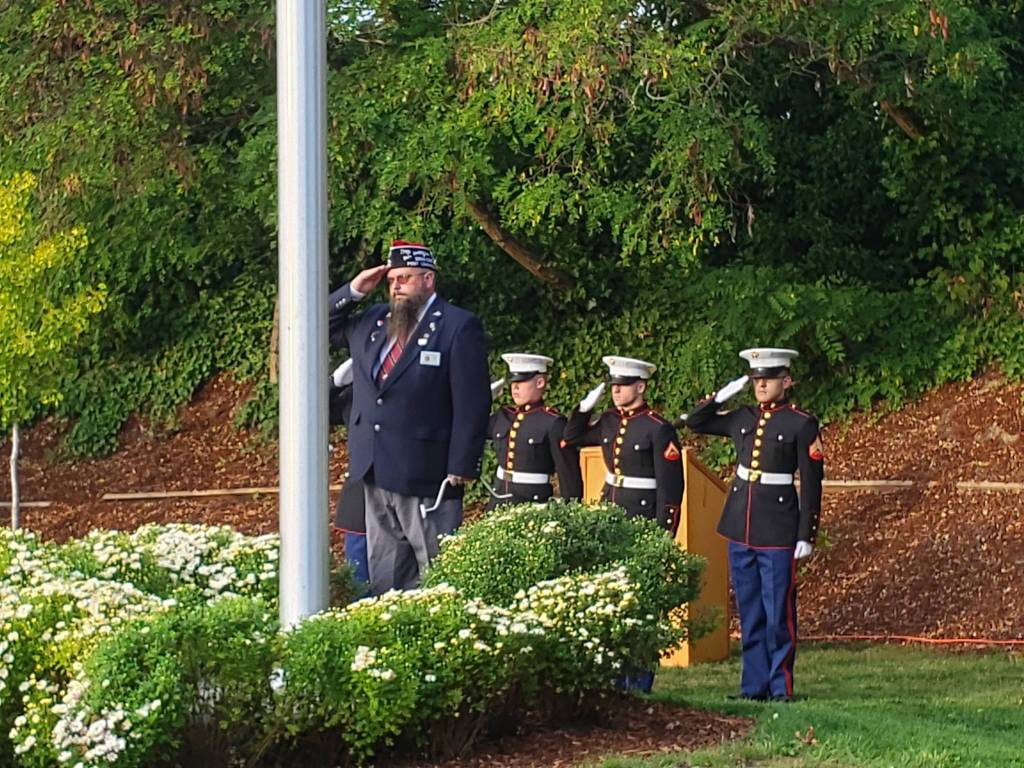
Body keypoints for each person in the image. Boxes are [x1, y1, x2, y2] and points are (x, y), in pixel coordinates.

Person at [327, 240, 490, 595]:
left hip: (427, 470)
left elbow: (472, 402)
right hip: (374, 466)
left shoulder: (457, 326)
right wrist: (355, 290)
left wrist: (462, 464)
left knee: (435, 570)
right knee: (385, 569)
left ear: (428, 280)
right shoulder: (373, 321)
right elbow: (316, 326)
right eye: (392, 279)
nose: (397, 285)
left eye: (405, 277)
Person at [682, 348, 824, 702]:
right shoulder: (742, 416)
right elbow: (695, 422)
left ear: (786, 381)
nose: (761, 385)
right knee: (749, 611)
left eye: (769, 379)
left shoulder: (801, 423)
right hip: (740, 525)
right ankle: (753, 686)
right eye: (757, 379)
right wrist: (721, 396)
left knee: (778, 613)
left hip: (777, 528)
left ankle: (780, 688)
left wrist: (806, 533)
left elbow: (811, 482)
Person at [563, 356, 683, 534]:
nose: (616, 390)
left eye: (623, 384)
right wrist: (583, 410)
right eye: (613, 385)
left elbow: (670, 487)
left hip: (641, 512)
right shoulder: (609, 419)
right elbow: (572, 437)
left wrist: (663, 533)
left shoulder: (657, 428)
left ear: (640, 387)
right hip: (609, 505)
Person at [486, 353, 583, 509]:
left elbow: (568, 472)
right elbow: (471, 430)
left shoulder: (552, 422)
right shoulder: (503, 416)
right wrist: (483, 400)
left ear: (540, 382)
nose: (515, 387)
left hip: (532, 500)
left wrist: (571, 509)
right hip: (499, 496)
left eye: (522, 381)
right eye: (513, 382)